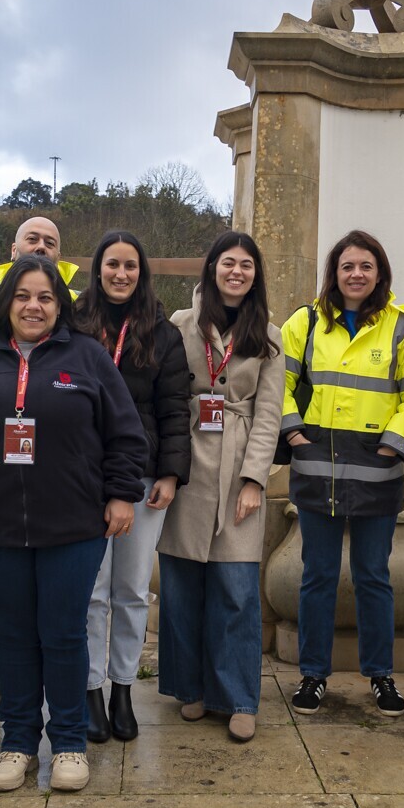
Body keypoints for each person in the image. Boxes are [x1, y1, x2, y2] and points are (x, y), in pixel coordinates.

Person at [0, 255, 147, 793]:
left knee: (65, 633)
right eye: (23, 296)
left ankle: (69, 742)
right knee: (16, 636)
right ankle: (18, 742)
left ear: (59, 305)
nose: (34, 306)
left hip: (74, 526)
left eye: (45, 297)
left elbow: (125, 432)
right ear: (7, 301)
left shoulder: (88, 356)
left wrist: (122, 494)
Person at [280, 229, 404, 719]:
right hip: (318, 465)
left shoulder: (403, 326)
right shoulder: (305, 322)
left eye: (366, 266)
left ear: (380, 273)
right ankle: (313, 674)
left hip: (378, 470)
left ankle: (380, 675)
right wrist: (294, 433)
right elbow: (279, 382)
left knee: (373, 576)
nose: (356, 274)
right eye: (347, 266)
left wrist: (394, 444)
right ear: (334, 273)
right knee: (317, 575)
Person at [157, 231, 285, 743]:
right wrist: (166, 469)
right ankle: (189, 687)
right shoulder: (179, 324)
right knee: (182, 586)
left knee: (237, 590)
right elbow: (167, 398)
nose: (237, 271)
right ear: (212, 268)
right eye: (228, 262)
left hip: (237, 466)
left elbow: (269, 413)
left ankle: (237, 698)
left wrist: (255, 480)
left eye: (246, 265)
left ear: (255, 275)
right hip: (188, 462)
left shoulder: (268, 335)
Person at [75, 230, 191, 743]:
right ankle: (91, 690)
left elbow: (174, 409)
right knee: (92, 592)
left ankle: (123, 687)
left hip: (142, 477)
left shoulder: (163, 333)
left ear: (141, 273)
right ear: (98, 268)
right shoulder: (74, 324)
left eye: (130, 266)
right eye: (112, 264)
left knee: (132, 589)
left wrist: (170, 472)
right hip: (83, 476)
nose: (121, 274)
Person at [0, 215, 83, 711]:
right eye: (31, 239)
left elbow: (115, 425)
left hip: (63, 508)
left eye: (50, 241)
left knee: (61, 626)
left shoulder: (79, 334)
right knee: (1, 616)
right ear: (12, 250)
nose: (40, 246)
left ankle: (69, 724)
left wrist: (117, 490)